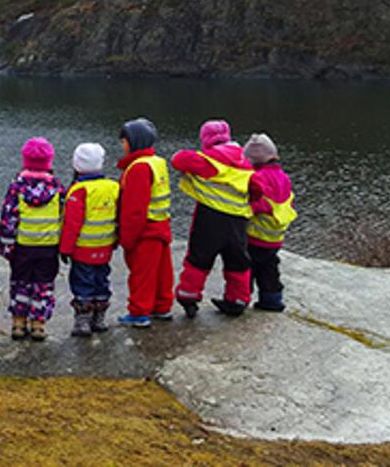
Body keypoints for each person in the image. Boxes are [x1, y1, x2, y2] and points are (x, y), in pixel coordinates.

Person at [173, 119, 255, 317]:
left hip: (210, 219)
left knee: (198, 260)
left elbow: (178, 159)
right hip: (238, 221)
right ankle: (237, 300)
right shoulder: (245, 162)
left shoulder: (209, 161)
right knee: (238, 262)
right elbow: (257, 189)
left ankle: (189, 298)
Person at [0, 137, 64, 342]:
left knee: (21, 283)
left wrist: (7, 248)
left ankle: (19, 322)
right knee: (43, 286)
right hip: (48, 247)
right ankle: (38, 324)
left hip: (23, 247)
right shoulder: (57, 188)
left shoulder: (16, 187)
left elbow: (9, 218)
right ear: (49, 162)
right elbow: (64, 217)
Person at [115, 118, 175, 328]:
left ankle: (139, 312)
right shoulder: (157, 162)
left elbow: (135, 209)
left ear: (134, 142)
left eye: (124, 141)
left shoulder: (138, 169)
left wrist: (127, 239)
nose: (122, 145)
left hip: (145, 231)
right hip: (161, 226)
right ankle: (162, 306)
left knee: (142, 274)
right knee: (161, 272)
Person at [58, 143, 118, 337]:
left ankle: (83, 321)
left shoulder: (79, 190)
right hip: (105, 246)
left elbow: (71, 224)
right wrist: (116, 240)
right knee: (102, 281)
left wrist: (65, 249)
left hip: (83, 249)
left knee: (83, 283)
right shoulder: (112, 187)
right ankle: (99, 318)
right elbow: (119, 217)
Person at [243, 133, 296, 312]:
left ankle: (240, 299)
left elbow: (258, 205)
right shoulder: (284, 177)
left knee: (246, 268)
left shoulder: (258, 178)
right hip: (275, 236)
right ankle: (272, 300)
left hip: (255, 235)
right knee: (269, 269)